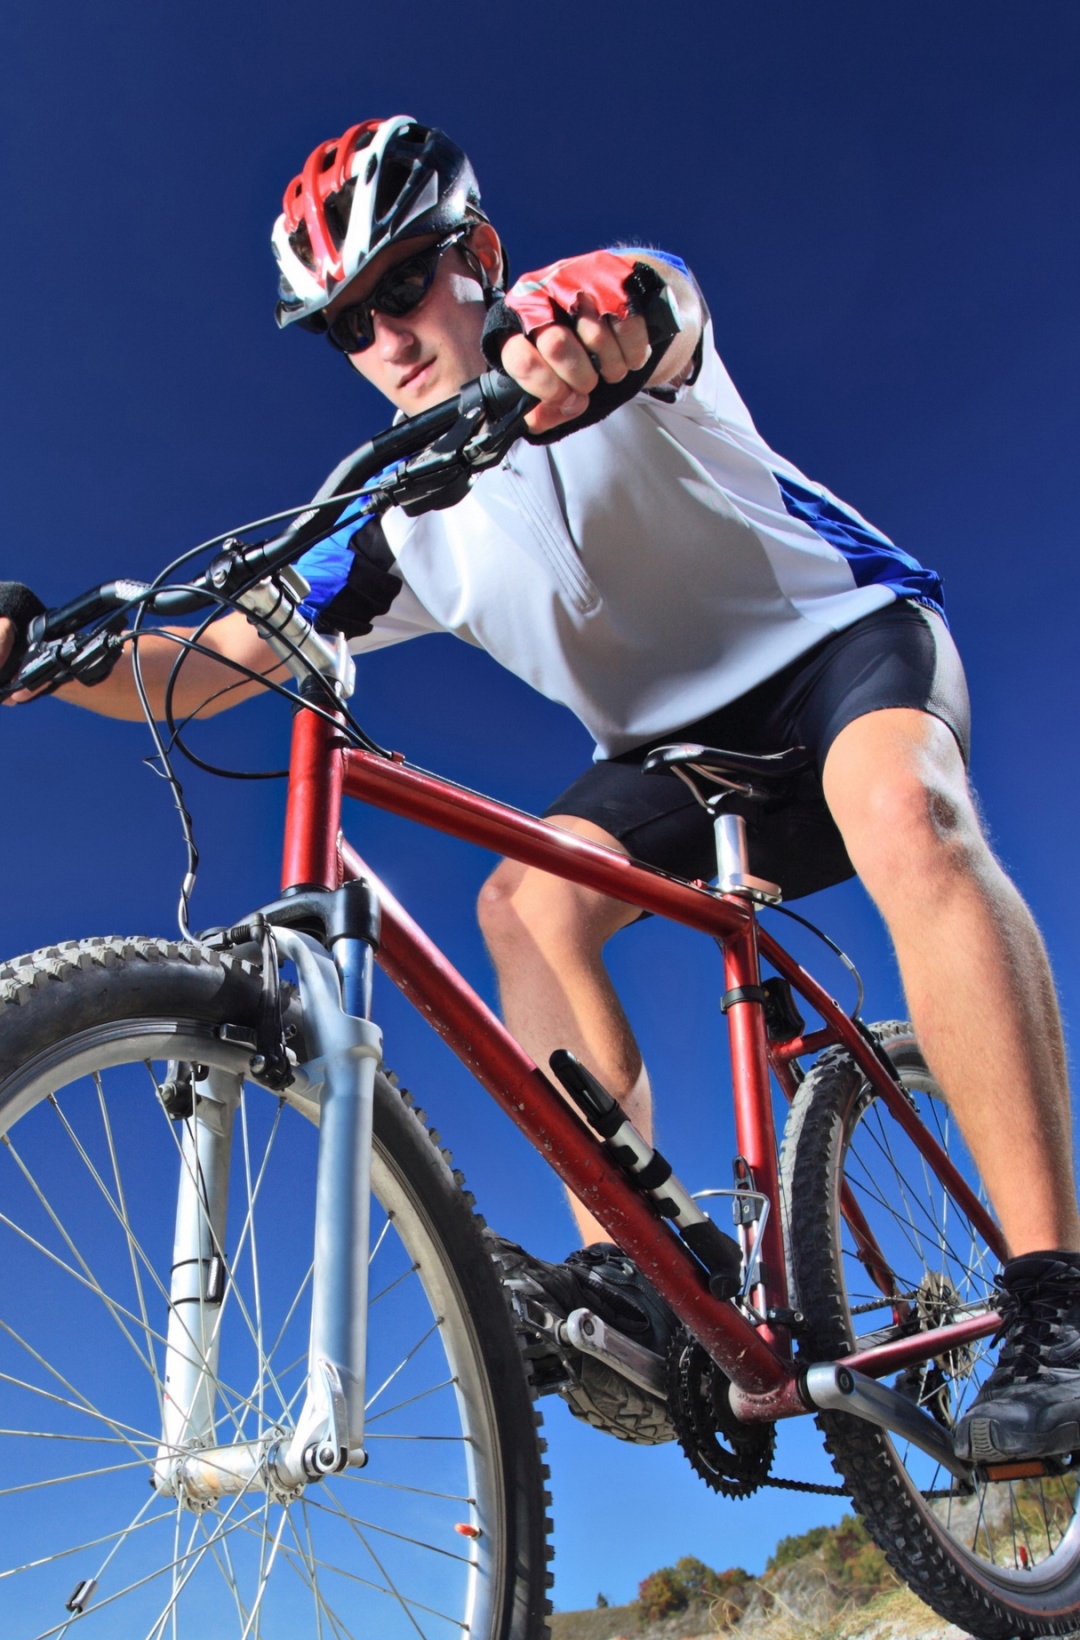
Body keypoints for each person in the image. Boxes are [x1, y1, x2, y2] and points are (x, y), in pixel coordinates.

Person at [1, 113, 1078, 1465]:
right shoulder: (396, 520)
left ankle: (1053, 1296)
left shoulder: (588, 348)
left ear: (480, 257)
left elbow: (657, 299)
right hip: (668, 758)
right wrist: (40, 657)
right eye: (347, 325)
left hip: (840, 651)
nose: (386, 338)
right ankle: (635, 1270)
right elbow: (223, 654)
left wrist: (600, 314)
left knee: (903, 812)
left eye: (402, 285)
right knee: (523, 907)